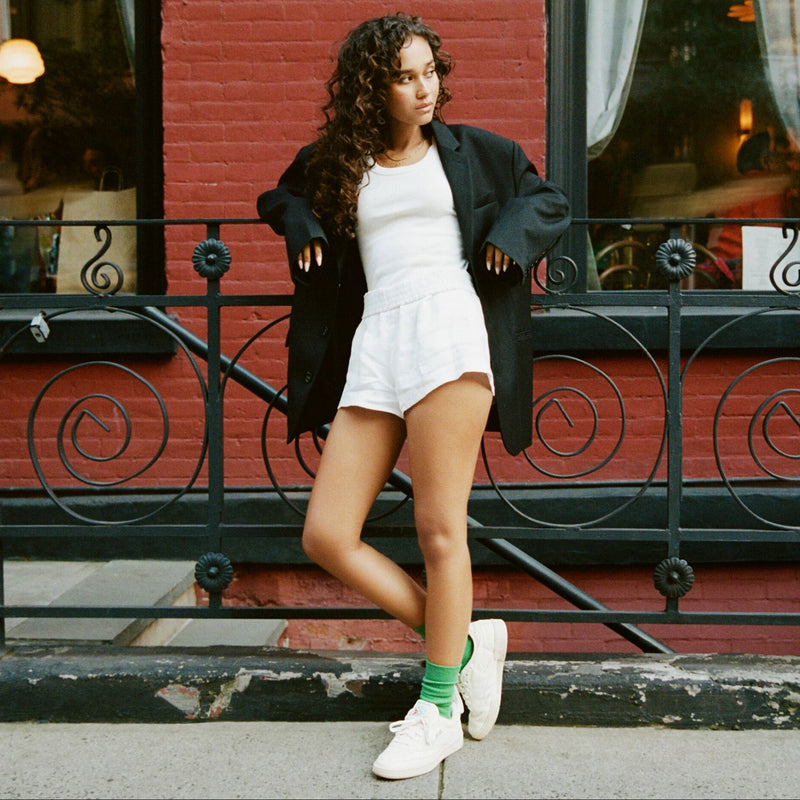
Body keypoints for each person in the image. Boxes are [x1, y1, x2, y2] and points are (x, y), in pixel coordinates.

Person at [257, 13, 570, 780]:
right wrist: (303, 225)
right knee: (327, 534)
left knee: (439, 530)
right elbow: (280, 197)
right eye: (405, 76)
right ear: (374, 88)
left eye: (431, 71)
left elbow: (547, 201)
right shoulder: (339, 162)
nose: (425, 88)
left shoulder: (476, 153)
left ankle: (436, 710)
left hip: (449, 330)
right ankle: (465, 645)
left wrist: (509, 240)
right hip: (377, 339)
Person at [703, 130, 796, 288]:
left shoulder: (734, 185)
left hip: (714, 268)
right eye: (784, 157)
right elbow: (771, 241)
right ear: (766, 161)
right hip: (737, 270)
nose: (790, 165)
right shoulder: (768, 185)